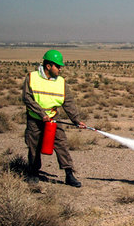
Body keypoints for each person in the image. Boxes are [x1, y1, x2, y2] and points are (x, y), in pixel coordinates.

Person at [22, 50, 86, 187]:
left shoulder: (61, 82)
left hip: (53, 118)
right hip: (35, 119)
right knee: (34, 146)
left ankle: (69, 175)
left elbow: (68, 102)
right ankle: (33, 173)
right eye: (58, 66)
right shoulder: (32, 78)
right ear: (48, 66)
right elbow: (27, 98)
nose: (60, 69)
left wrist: (76, 120)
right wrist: (41, 114)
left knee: (61, 144)